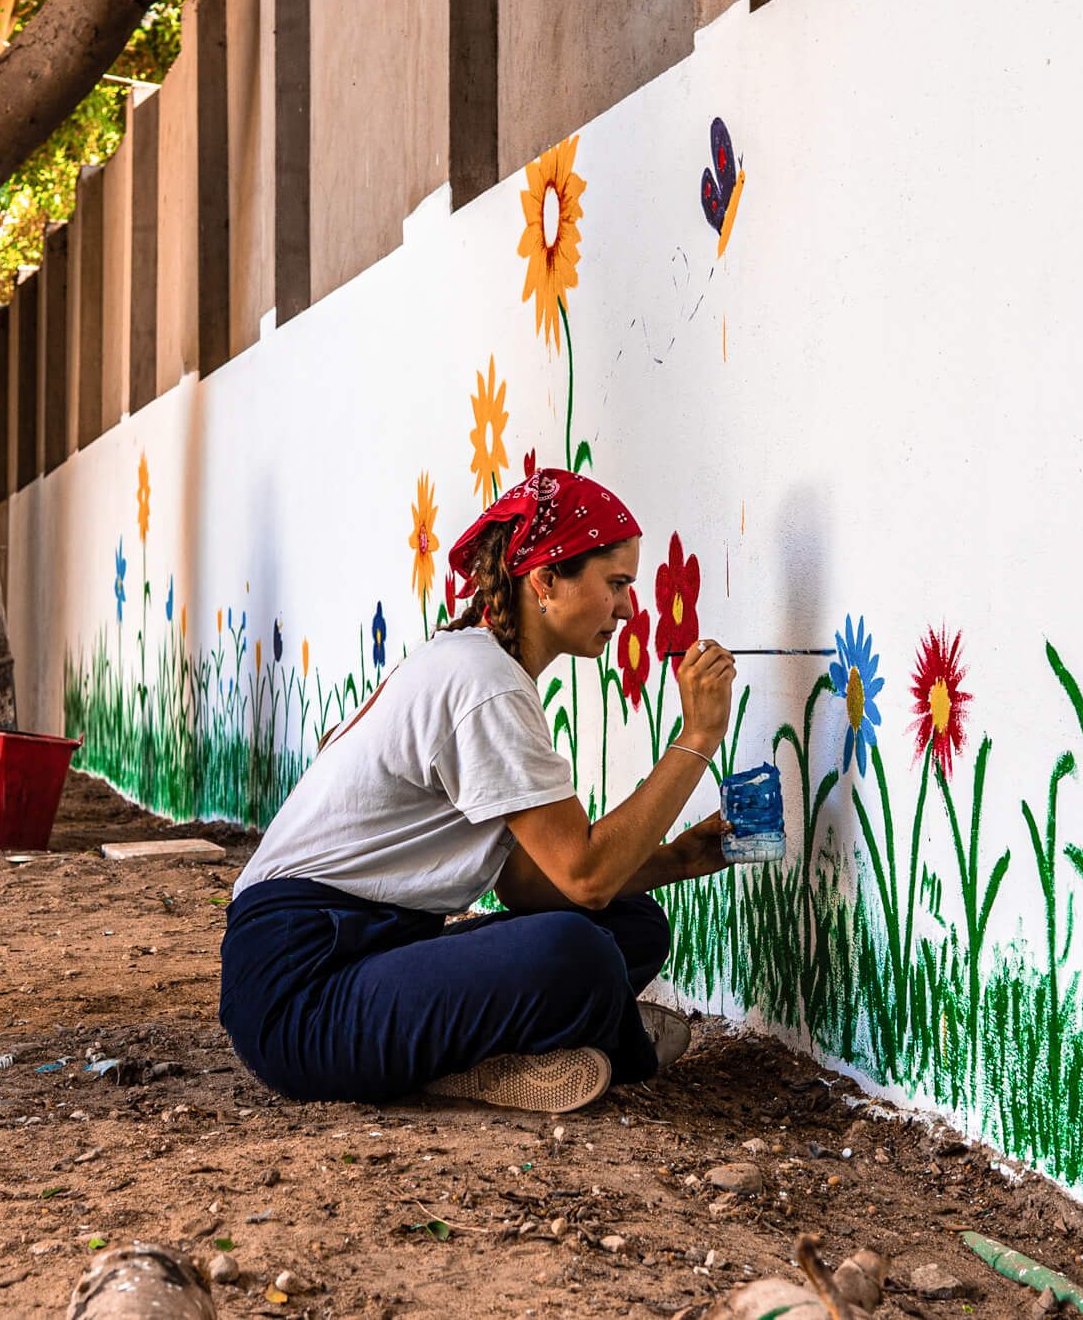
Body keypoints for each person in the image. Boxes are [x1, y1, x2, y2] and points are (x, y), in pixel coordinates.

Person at [217, 469, 739, 1113]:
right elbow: (585, 877)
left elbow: (525, 884)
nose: (630, 609)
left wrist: (679, 861)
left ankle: (467, 1060)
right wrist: (699, 735)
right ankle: (587, 1047)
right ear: (545, 579)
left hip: (365, 955)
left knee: (632, 929)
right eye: (616, 584)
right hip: (300, 998)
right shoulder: (484, 682)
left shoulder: (481, 667)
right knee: (576, 953)